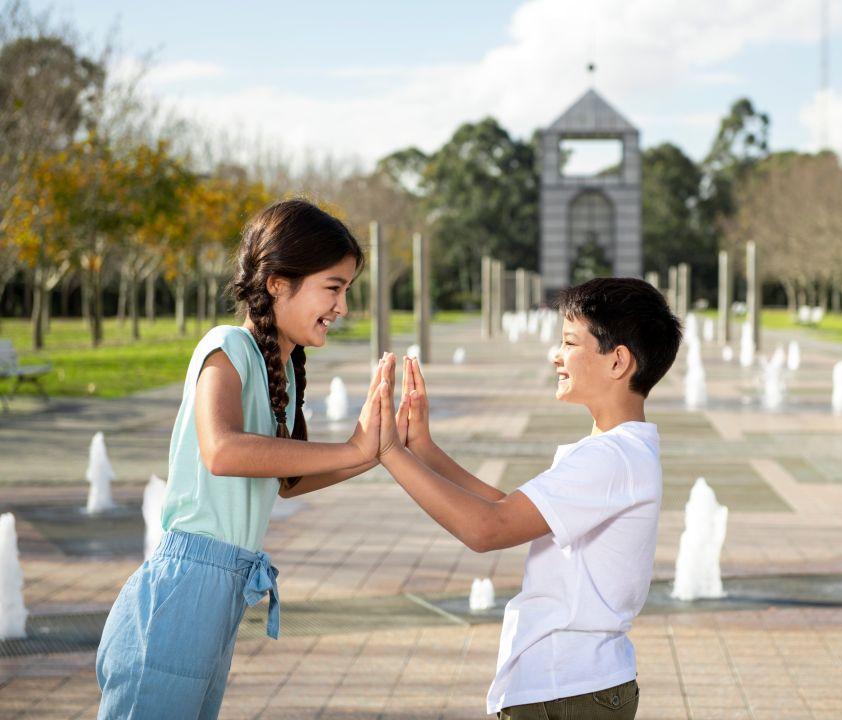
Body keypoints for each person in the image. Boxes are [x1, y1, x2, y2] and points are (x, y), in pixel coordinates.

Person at [96, 199, 388, 719]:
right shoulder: (226, 346)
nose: (343, 306)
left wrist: (376, 448)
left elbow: (287, 481)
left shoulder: (284, 371)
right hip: (180, 592)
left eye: (346, 289)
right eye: (334, 287)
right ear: (278, 282)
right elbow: (223, 450)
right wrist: (353, 449)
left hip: (220, 595)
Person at [371, 277, 682, 718]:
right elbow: (510, 510)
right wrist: (423, 451)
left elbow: (487, 528)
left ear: (618, 362)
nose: (556, 355)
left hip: (568, 689)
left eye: (569, 342)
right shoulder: (616, 451)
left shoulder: (612, 458)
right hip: (576, 686)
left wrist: (387, 452)